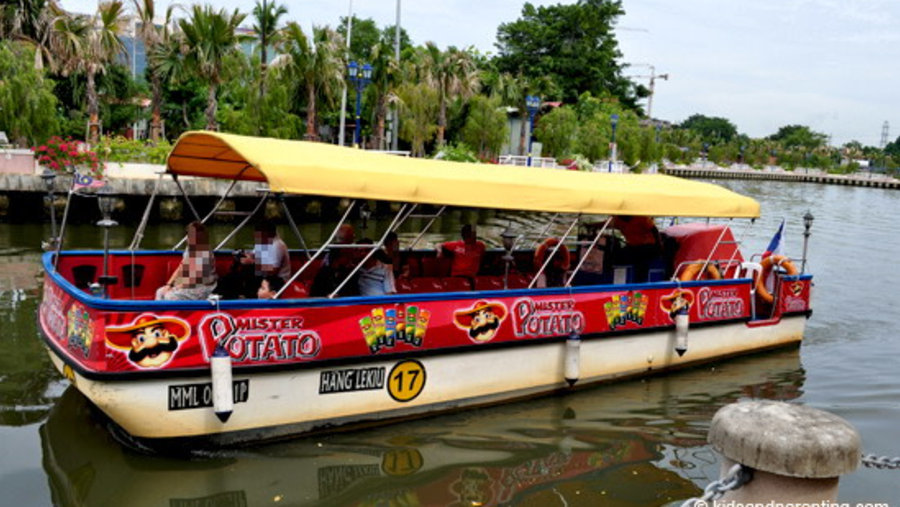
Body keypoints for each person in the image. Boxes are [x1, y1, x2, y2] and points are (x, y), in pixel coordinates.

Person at [156, 221, 218, 300]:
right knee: (160, 291)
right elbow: (181, 267)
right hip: (188, 283)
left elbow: (196, 278)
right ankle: (159, 312)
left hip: (203, 286)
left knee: (170, 296)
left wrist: (177, 287)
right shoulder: (189, 248)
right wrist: (169, 284)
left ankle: (173, 311)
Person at [241, 222, 291, 296]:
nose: (254, 235)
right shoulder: (263, 241)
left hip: (278, 279)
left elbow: (273, 271)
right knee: (243, 272)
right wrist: (245, 255)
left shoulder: (277, 245)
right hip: (265, 273)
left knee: (251, 274)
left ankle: (250, 297)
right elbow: (254, 254)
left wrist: (252, 262)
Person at [611, 215, 662, 283]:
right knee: (616, 255)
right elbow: (607, 224)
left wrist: (659, 245)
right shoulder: (617, 220)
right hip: (633, 247)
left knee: (641, 256)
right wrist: (593, 226)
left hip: (648, 246)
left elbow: (654, 230)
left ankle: (640, 282)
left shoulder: (641, 218)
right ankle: (617, 280)